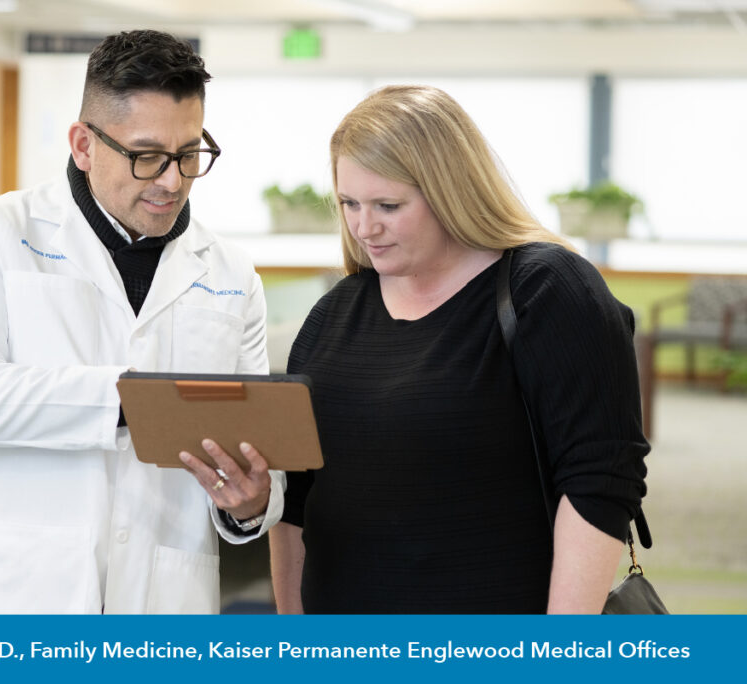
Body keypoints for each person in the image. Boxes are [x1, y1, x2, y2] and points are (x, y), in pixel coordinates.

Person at [0, 30, 284, 615]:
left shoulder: (232, 274)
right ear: (84, 145)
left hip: (164, 598)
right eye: (146, 156)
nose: (172, 180)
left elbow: (254, 445)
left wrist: (249, 504)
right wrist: (134, 400)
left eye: (190, 154)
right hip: (17, 596)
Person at [269, 85, 649, 614]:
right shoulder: (334, 314)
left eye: (388, 205)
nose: (364, 227)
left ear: (451, 191)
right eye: (349, 204)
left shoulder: (546, 290)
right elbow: (295, 501)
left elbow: (599, 483)